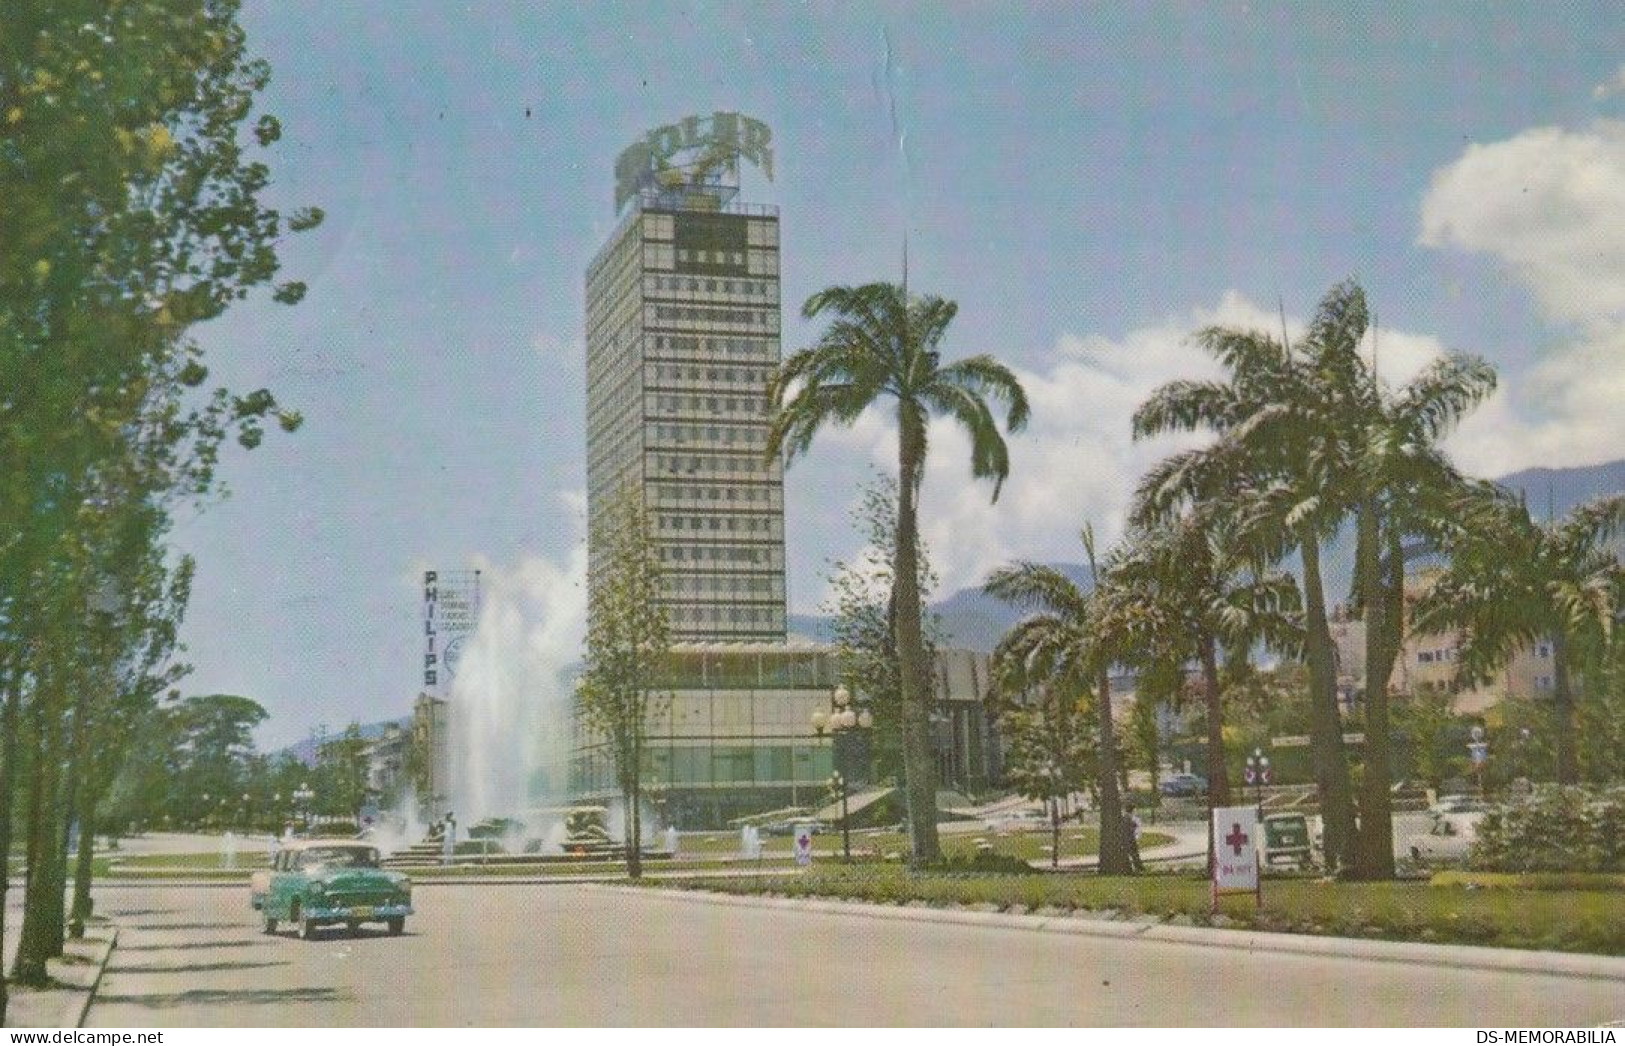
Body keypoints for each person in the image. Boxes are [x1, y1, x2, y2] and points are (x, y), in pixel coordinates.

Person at [1122, 804, 1145, 873]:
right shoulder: (1130, 818)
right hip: (1129, 838)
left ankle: (1137, 866)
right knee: (1134, 853)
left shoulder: (1126, 817)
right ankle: (1138, 867)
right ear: (1132, 810)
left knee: (1132, 853)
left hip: (1127, 838)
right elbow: (1134, 827)